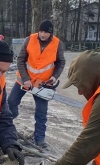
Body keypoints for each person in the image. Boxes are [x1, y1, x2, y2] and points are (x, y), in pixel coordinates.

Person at [7, 19, 66, 150]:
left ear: (51, 33)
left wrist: (55, 77)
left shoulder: (58, 44)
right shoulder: (29, 40)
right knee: (10, 102)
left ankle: (39, 138)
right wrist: (25, 78)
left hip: (42, 84)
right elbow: (21, 60)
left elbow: (61, 62)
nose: (43, 34)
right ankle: (6, 128)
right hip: (24, 79)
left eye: (46, 32)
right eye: (41, 31)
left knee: (41, 112)